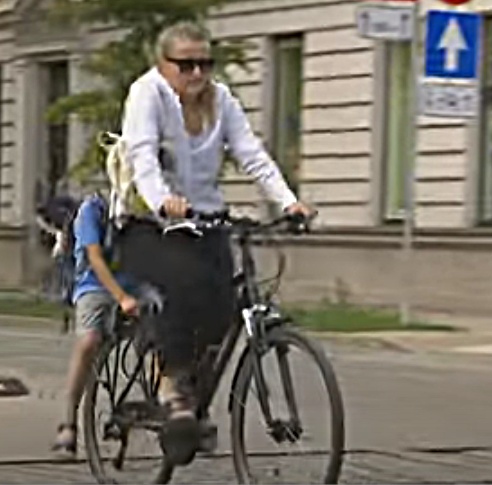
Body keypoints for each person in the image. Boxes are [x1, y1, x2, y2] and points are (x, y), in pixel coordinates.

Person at [116, 21, 313, 463]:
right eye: (185, 65)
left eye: (205, 64)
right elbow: (142, 156)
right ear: (163, 64)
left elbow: (252, 154)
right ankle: (172, 388)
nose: (197, 73)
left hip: (205, 217)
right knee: (179, 285)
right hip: (148, 222)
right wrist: (162, 200)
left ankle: (193, 394)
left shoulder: (221, 100)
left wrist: (288, 202)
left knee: (226, 302)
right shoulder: (147, 94)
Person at [51, 191, 144, 455]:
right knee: (89, 341)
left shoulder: (147, 208)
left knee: (168, 337)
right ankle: (68, 423)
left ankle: (172, 406)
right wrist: (121, 297)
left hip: (137, 284)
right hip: (95, 284)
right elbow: (94, 258)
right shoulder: (92, 210)